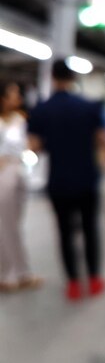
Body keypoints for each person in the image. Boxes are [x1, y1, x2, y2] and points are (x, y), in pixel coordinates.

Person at [28, 60, 105, 301]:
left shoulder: (41, 109)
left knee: (64, 232)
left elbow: (34, 146)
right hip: (87, 176)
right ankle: (94, 279)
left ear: (52, 78)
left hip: (58, 179)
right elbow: (102, 140)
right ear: (74, 78)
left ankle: (73, 283)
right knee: (90, 228)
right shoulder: (89, 107)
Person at [0, 83, 43, 293]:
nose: (17, 98)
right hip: (3, 172)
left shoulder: (19, 120)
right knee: (5, 226)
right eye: (12, 94)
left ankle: (19, 271)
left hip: (18, 171)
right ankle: (9, 273)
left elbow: (29, 143)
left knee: (13, 226)